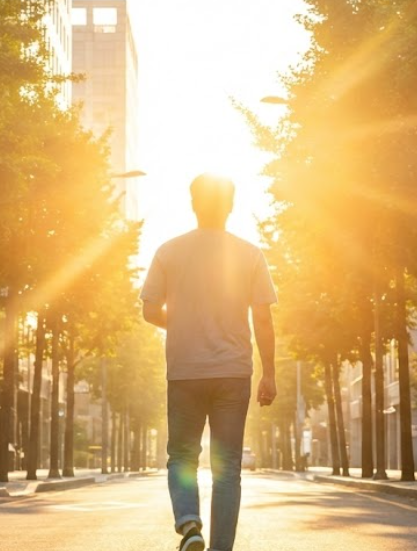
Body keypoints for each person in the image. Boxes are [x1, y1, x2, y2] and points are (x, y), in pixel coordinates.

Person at [140, 173, 278, 551]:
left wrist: (182, 322)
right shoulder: (250, 254)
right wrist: (269, 373)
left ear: (193, 203)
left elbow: (150, 310)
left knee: (182, 456)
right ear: (230, 205)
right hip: (233, 373)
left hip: (185, 372)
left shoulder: (168, 251)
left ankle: (189, 525)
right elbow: (263, 319)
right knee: (227, 467)